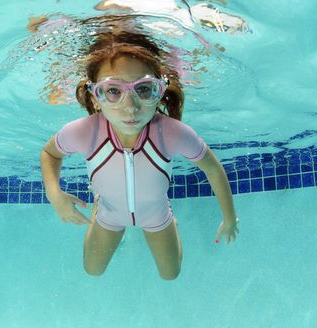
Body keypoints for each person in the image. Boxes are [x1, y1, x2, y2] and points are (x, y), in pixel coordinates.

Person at [40, 31, 238, 280]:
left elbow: (212, 168)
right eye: (113, 91)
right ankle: (99, 205)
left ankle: (170, 219)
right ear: (95, 97)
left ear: (160, 90)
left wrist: (229, 218)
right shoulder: (85, 132)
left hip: (155, 214)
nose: (130, 107)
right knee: (93, 270)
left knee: (171, 274)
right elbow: (50, 153)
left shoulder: (173, 133)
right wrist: (54, 194)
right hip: (109, 214)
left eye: (144, 89)